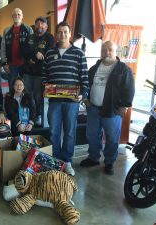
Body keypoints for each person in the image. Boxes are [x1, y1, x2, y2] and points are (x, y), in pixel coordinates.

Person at [80, 41, 135, 175]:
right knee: (92, 135)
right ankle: (93, 158)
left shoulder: (123, 69)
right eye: (104, 50)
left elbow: (129, 88)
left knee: (111, 137)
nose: (107, 53)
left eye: (110, 50)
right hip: (93, 108)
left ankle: (109, 162)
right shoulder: (94, 68)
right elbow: (85, 84)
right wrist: (86, 99)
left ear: (116, 52)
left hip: (112, 110)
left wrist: (124, 105)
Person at [42, 22, 89, 176]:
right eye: (59, 32)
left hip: (72, 102)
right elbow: (45, 76)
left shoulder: (79, 53)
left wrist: (83, 95)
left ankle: (67, 161)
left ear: (70, 34)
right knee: (54, 131)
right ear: (56, 34)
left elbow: (85, 78)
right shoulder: (49, 53)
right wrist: (45, 88)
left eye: (65, 32)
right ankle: (56, 161)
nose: (62, 35)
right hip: (54, 101)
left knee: (70, 132)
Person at [23, 16, 55, 126]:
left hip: (40, 73)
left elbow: (48, 53)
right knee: (26, 94)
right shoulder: (30, 37)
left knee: (37, 96)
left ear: (46, 26)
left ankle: (38, 115)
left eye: (42, 24)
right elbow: (24, 51)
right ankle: (27, 115)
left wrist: (34, 57)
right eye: (37, 24)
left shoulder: (49, 38)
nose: (39, 26)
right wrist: (34, 55)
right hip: (27, 72)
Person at [0, 8, 33, 88]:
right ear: (12, 16)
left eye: (19, 14)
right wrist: (4, 63)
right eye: (15, 14)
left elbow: (32, 46)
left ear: (22, 16)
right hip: (11, 65)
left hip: (25, 64)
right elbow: (3, 47)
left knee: (26, 88)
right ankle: (12, 101)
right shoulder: (7, 30)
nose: (17, 16)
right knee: (12, 88)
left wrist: (31, 60)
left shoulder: (28, 29)